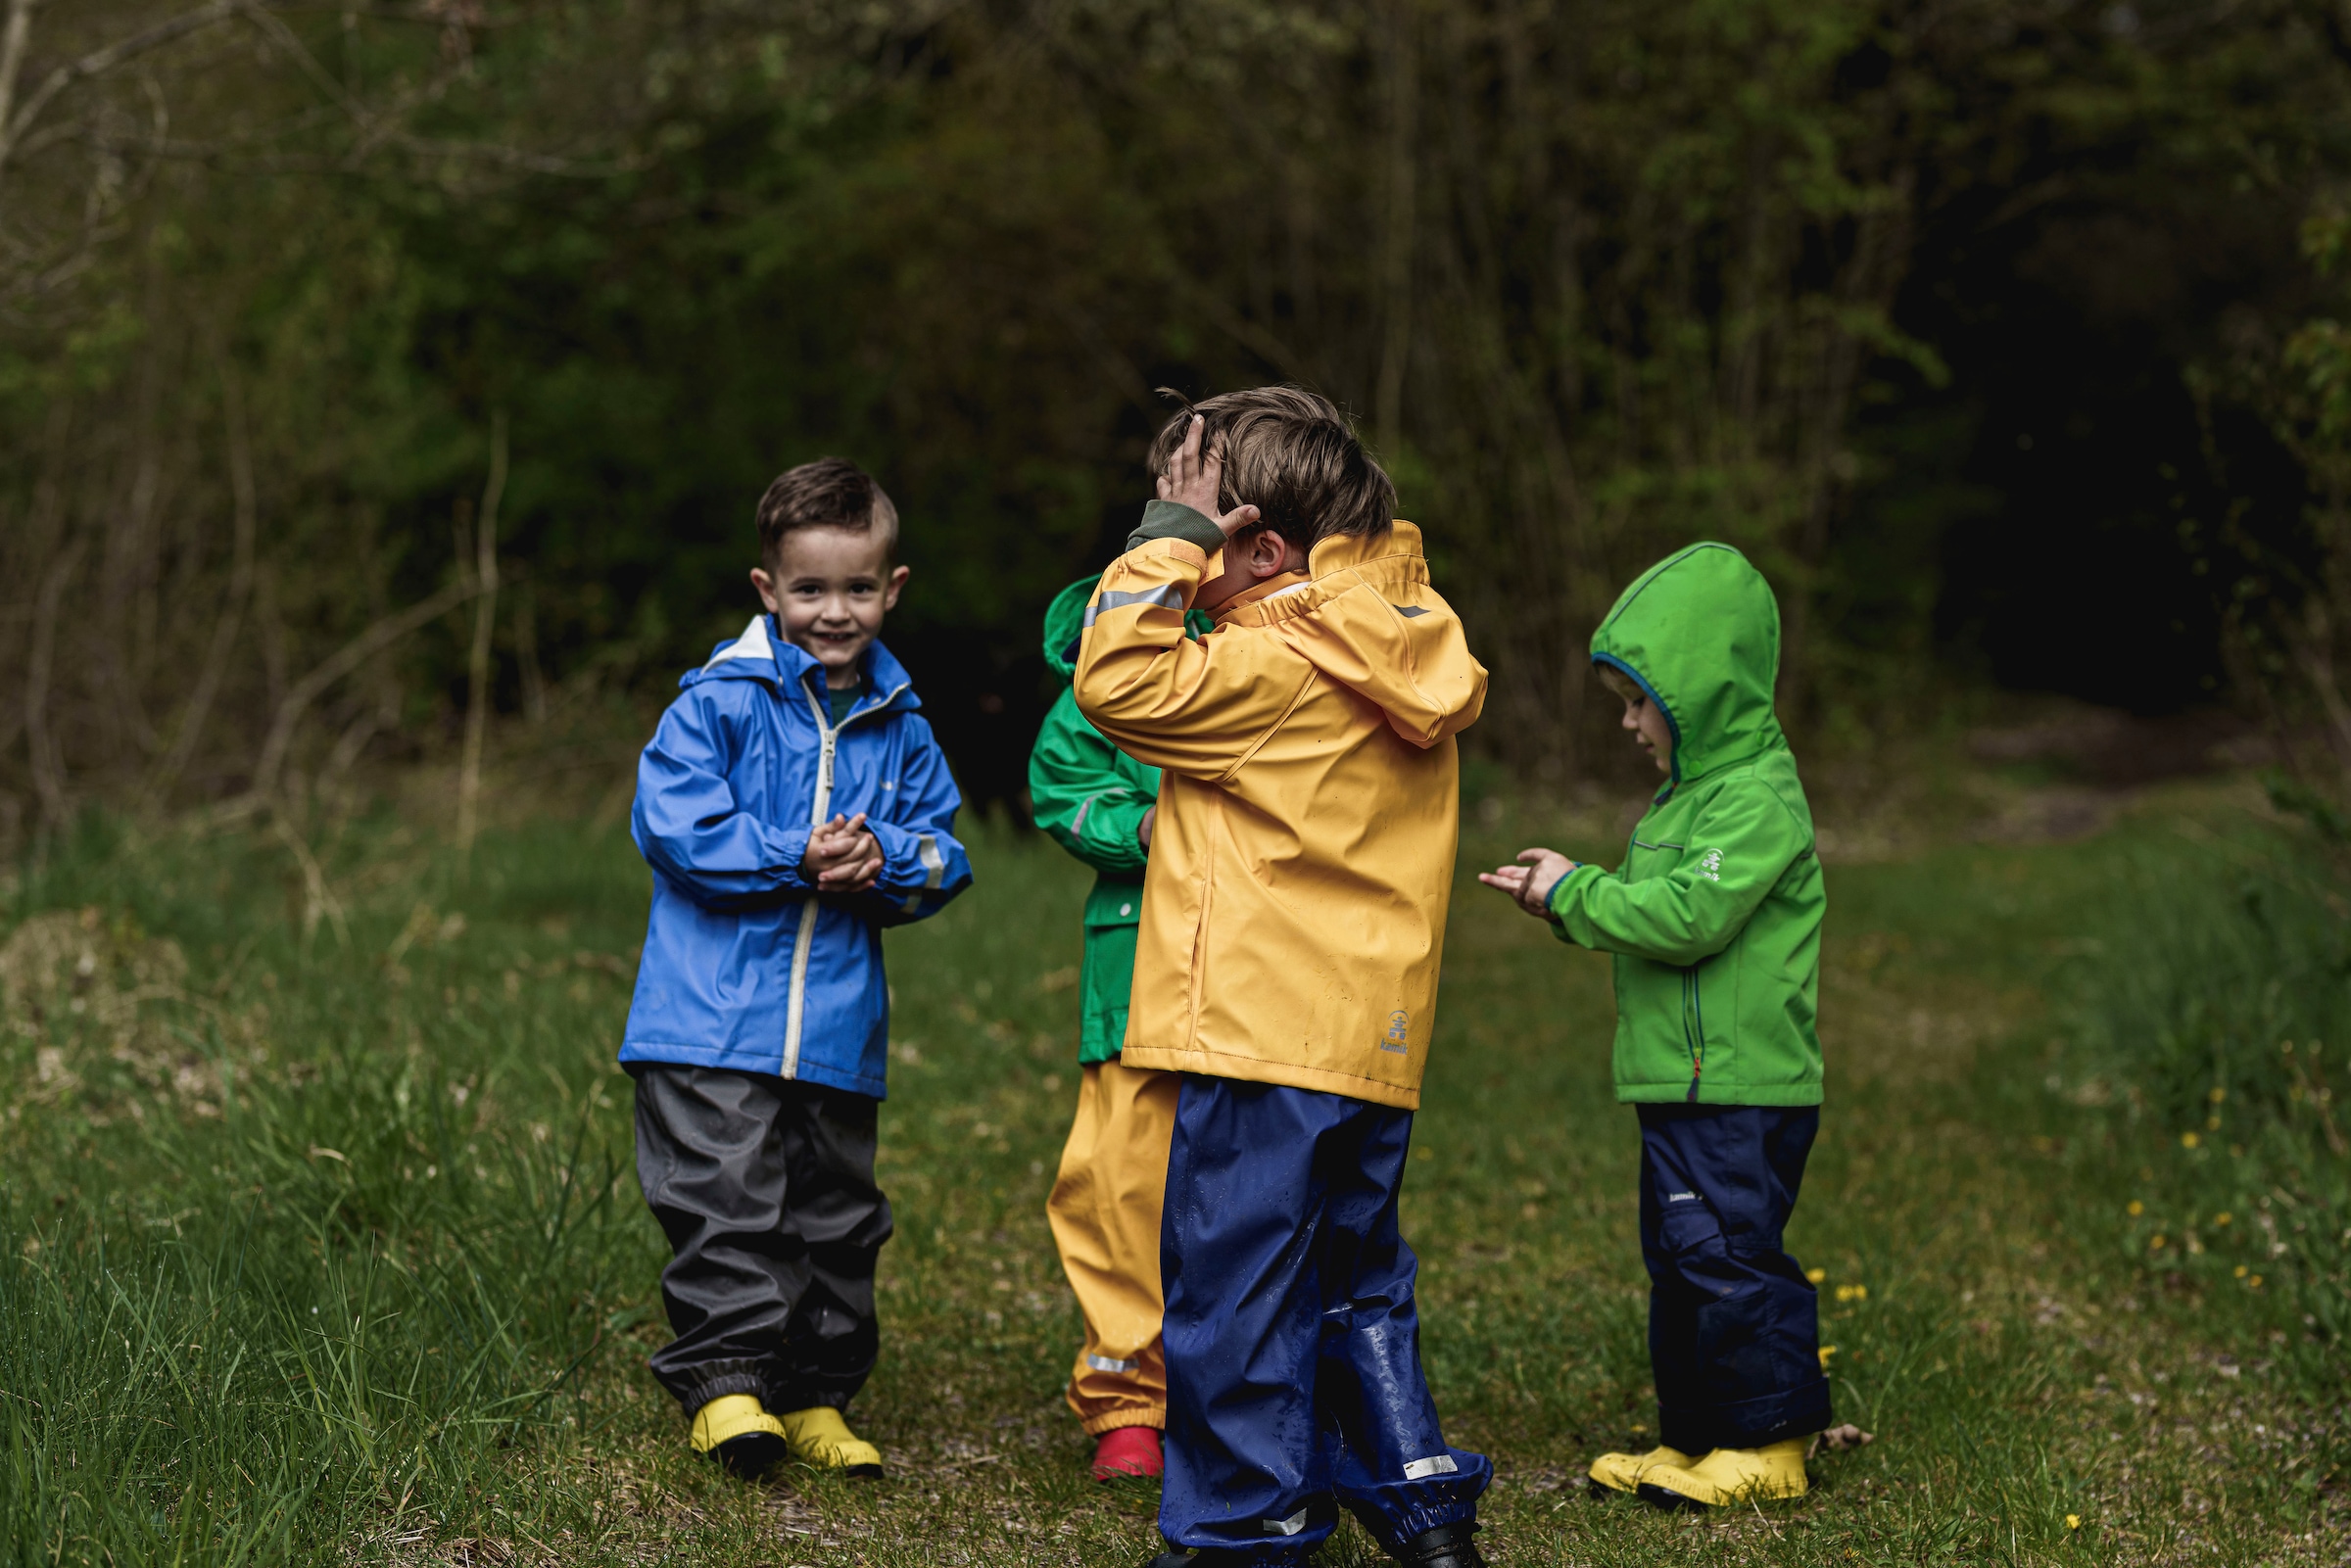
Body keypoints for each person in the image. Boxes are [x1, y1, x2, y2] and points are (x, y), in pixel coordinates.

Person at [1074, 388, 1493, 1568]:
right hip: (1370, 1040)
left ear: (1257, 545)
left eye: (1185, 521)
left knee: (1234, 1290)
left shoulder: (1272, 660)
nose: (1161, 541)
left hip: (1256, 1037)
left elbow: (1117, 684)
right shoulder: (1401, 638)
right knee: (1355, 1278)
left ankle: (1243, 1531)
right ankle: (1419, 1500)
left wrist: (1160, 546)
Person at [618, 456, 973, 1480]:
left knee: (836, 1213)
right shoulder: (718, 702)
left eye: (858, 587)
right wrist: (796, 851)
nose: (836, 610)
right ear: (767, 589)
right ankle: (728, 1381)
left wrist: (885, 859)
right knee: (727, 1197)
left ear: (892, 588)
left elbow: (945, 849)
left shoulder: (901, 723)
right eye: (810, 589)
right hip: (707, 1020)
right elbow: (675, 825)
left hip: (835, 1029)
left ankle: (817, 1390)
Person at [1478, 541, 1831, 1511]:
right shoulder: (1692, 799)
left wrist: (1579, 891)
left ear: (1704, 691)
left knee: (1727, 1253)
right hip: (1681, 1080)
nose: (1631, 724)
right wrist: (1568, 897)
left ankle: (1771, 1438)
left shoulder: (1755, 797)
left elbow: (1688, 918)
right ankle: (1700, 1434)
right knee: (1681, 1261)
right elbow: (1651, 902)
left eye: (1640, 701)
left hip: (1740, 1084)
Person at [1028, 578, 1209, 1482]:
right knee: (1118, 1189)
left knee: (1243, 1190)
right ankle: (1129, 1392)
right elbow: (1060, 787)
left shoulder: (1255, 657)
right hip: (1132, 987)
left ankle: (1242, 1385)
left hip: (1254, 987)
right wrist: (1141, 822)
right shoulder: (1094, 685)